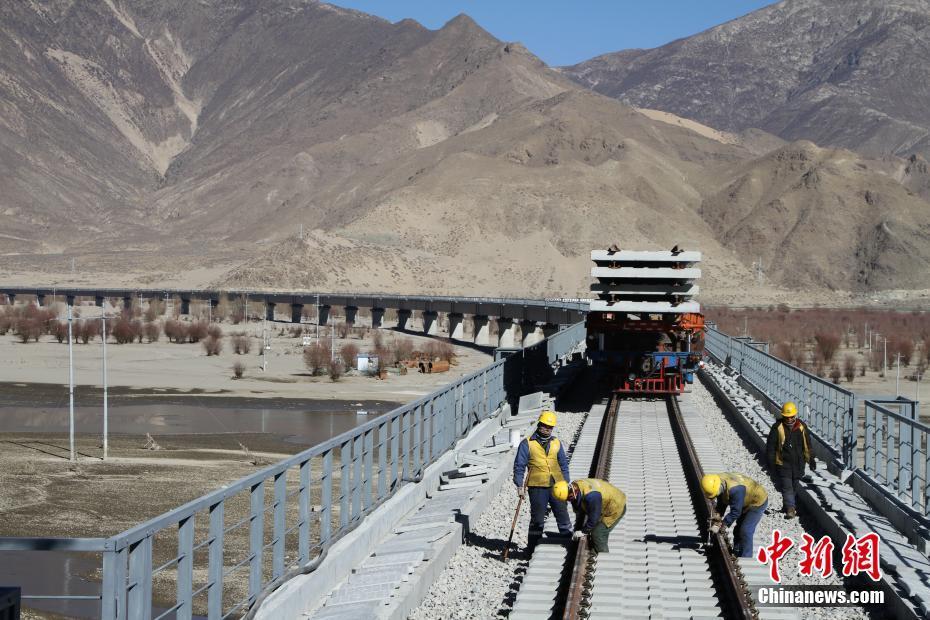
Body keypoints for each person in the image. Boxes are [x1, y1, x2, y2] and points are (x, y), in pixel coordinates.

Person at [513, 410, 572, 548]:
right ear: (539, 424)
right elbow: (519, 466)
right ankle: (532, 548)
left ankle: (569, 543)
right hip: (537, 487)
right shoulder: (527, 443)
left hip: (557, 485)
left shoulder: (556, 442)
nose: (548, 429)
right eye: (545, 425)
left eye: (550, 427)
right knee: (537, 520)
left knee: (562, 514)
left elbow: (563, 464)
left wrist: (566, 481)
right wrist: (519, 485)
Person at [766, 401, 815, 519]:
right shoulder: (777, 428)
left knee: (794, 486)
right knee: (787, 486)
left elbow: (807, 445)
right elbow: (771, 447)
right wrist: (771, 463)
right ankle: (790, 509)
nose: (789, 419)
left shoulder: (801, 427)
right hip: (783, 464)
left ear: (795, 415)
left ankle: (786, 505)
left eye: (791, 417)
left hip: (799, 464)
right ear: (783, 416)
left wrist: (811, 459)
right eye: (787, 417)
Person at [702, 472, 768, 558]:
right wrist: (718, 516)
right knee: (737, 530)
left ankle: (746, 558)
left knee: (745, 530)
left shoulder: (735, 490)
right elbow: (722, 501)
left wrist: (722, 524)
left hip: (757, 502)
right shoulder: (718, 481)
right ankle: (737, 553)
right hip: (744, 498)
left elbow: (736, 512)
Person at [553, 478, 626, 554]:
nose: (568, 501)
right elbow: (577, 504)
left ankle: (603, 556)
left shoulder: (591, 496)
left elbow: (594, 518)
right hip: (604, 500)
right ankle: (595, 550)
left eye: (568, 498)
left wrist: (583, 531)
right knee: (594, 527)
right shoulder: (575, 486)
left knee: (598, 533)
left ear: (571, 493)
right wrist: (578, 527)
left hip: (616, 506)